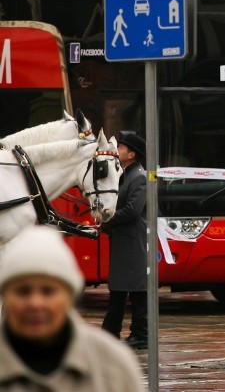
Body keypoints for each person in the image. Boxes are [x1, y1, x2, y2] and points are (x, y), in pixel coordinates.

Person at [0, 225, 143, 391]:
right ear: (4, 297)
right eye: (22, 291)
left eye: (48, 291)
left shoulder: (113, 364)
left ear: (69, 296)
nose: (35, 303)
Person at [101, 130, 148, 349]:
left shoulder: (139, 177)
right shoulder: (125, 174)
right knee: (118, 291)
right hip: (123, 241)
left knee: (137, 292)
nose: (117, 150)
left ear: (132, 154)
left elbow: (132, 210)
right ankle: (111, 334)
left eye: (121, 147)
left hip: (132, 242)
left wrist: (108, 219)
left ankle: (140, 335)